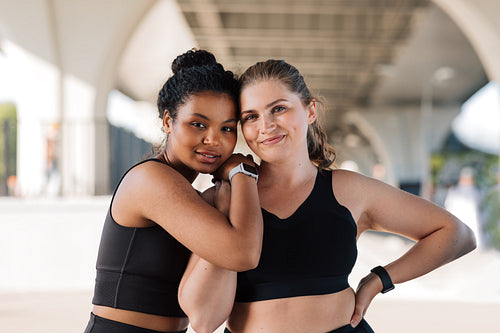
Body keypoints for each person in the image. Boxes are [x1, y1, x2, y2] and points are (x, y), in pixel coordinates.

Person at [178, 59, 477, 333]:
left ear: (309, 110)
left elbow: (457, 234)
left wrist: (378, 280)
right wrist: (232, 197)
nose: (266, 126)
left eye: (279, 109)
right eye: (251, 116)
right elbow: (203, 320)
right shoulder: (223, 199)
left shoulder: (349, 190)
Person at [84, 49, 263, 333]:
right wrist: (243, 173)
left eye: (227, 129)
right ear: (168, 122)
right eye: (198, 124)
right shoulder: (150, 179)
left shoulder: (192, 195)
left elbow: (204, 315)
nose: (213, 139)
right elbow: (243, 253)